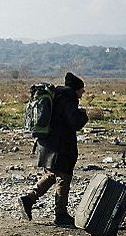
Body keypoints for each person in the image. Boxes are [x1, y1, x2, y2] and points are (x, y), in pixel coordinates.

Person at [18, 72, 88, 227]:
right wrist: (83, 116)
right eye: (81, 91)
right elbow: (74, 122)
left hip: (48, 144)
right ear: (76, 89)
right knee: (64, 177)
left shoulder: (57, 96)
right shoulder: (69, 99)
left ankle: (28, 199)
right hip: (61, 146)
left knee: (51, 174)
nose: (82, 94)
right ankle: (60, 214)